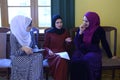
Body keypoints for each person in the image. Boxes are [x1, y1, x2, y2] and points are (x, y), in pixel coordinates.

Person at [70, 12, 117, 80]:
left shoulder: (99, 30)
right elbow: (77, 44)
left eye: (86, 21)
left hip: (93, 51)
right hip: (82, 50)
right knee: (75, 59)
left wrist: (110, 56)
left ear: (92, 21)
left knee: (87, 60)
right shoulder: (82, 28)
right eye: (83, 20)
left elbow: (104, 43)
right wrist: (80, 32)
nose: (84, 23)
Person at [10, 15, 43, 80]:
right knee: (34, 61)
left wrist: (37, 49)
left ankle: (35, 78)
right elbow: (14, 53)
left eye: (31, 25)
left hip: (29, 55)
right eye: (29, 26)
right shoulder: (13, 35)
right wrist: (23, 48)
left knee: (39, 56)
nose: (31, 27)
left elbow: (34, 45)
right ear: (22, 25)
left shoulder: (30, 33)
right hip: (17, 57)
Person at [43, 14, 72, 80]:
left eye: (61, 22)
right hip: (52, 54)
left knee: (62, 60)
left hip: (63, 53)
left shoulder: (65, 32)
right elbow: (45, 46)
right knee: (61, 61)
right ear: (54, 23)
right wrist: (48, 50)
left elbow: (68, 48)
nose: (60, 24)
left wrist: (68, 42)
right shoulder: (49, 33)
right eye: (57, 22)